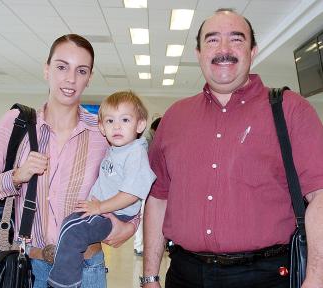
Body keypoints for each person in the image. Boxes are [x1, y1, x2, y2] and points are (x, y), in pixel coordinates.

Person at [143, 8, 323, 288]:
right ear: (198, 53)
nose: (223, 49)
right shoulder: (174, 117)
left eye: (236, 39)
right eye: (212, 40)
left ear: (253, 51)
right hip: (183, 275)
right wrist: (150, 276)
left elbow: (320, 196)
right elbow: (158, 199)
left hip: (265, 277)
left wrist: (316, 278)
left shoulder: (291, 109)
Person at [0, 34, 138, 288]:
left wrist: (130, 226)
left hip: (86, 268)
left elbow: (136, 181)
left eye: (81, 70)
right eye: (62, 67)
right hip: (27, 266)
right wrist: (17, 176)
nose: (70, 79)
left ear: (89, 77)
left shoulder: (104, 132)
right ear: (46, 69)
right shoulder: (16, 124)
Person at [47, 91, 156, 288]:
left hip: (113, 214)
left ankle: (63, 283)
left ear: (140, 125)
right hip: (102, 211)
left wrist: (100, 207)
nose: (117, 126)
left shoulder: (135, 153)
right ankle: (66, 276)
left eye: (125, 120)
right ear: (102, 128)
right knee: (69, 225)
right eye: (110, 121)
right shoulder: (116, 149)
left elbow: (131, 194)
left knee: (74, 233)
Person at [133, 116, 161, 256]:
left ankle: (139, 245)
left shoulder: (148, 138)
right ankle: (139, 246)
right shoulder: (147, 140)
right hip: (143, 184)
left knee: (143, 214)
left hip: (143, 183)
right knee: (142, 214)